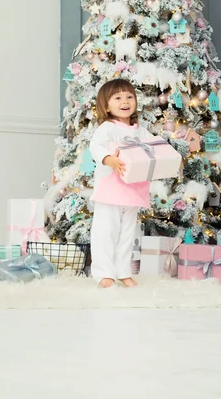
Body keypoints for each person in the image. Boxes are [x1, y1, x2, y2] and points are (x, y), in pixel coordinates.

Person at [90, 79, 154, 288]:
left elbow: (155, 146)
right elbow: (96, 147)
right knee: (106, 232)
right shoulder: (108, 128)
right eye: (117, 98)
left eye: (129, 97)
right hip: (111, 190)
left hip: (134, 189)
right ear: (106, 106)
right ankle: (103, 273)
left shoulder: (140, 131)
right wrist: (110, 160)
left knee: (128, 233)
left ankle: (123, 271)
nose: (125, 101)